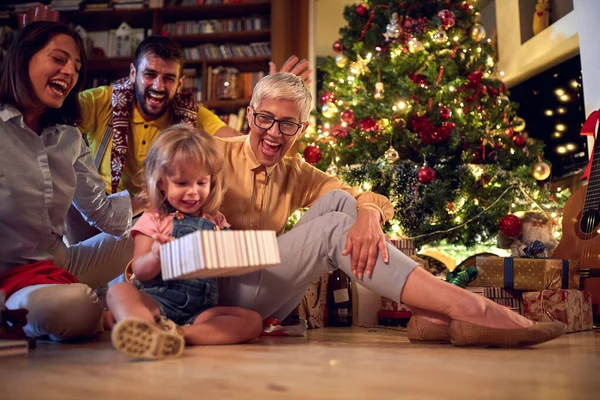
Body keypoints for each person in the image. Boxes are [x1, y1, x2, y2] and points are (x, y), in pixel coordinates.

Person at [214, 72, 566, 347]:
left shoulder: (296, 171)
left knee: (341, 203)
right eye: (265, 119)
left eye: (287, 124)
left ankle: (429, 314)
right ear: (249, 115)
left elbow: (373, 198)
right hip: (219, 295)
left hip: (266, 293)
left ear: (302, 129)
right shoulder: (212, 154)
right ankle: (469, 307)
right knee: (333, 228)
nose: (274, 133)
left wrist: (369, 215)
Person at [69, 35, 310, 244]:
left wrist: (271, 103)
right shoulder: (101, 101)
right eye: (149, 74)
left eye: (168, 78)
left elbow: (240, 141)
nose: (158, 86)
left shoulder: (191, 114)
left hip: (160, 217)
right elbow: (55, 117)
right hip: (102, 216)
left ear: (180, 83)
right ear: (133, 73)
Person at [0, 22, 133, 341]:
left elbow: (103, 215)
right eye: (58, 59)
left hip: (58, 260)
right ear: (24, 58)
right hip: (8, 276)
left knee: (151, 235)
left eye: (76, 67)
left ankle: (122, 306)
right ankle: (98, 311)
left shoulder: (69, 137)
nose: (69, 72)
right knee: (76, 307)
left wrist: (158, 204)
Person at [107, 126, 262, 359]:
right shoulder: (154, 219)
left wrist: (241, 256)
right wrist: (156, 256)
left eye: (201, 182)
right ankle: (144, 326)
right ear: (161, 183)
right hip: (155, 302)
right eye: (182, 183)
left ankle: (176, 335)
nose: (193, 192)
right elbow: (139, 269)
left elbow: (226, 268)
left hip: (199, 312)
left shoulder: (216, 221)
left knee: (252, 321)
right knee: (119, 290)